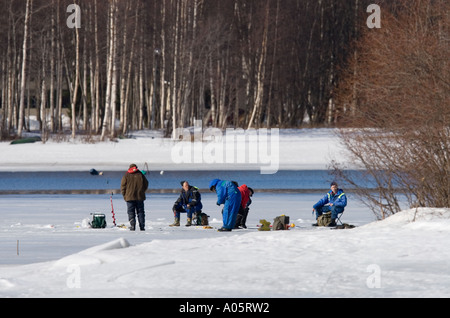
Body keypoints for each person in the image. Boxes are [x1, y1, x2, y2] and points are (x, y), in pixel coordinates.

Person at [121, 163, 149, 231]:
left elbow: (123, 187)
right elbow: (146, 184)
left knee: (131, 212)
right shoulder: (140, 174)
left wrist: (125, 196)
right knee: (140, 212)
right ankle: (142, 227)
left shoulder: (126, 175)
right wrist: (142, 191)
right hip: (140, 197)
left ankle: (132, 226)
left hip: (129, 197)